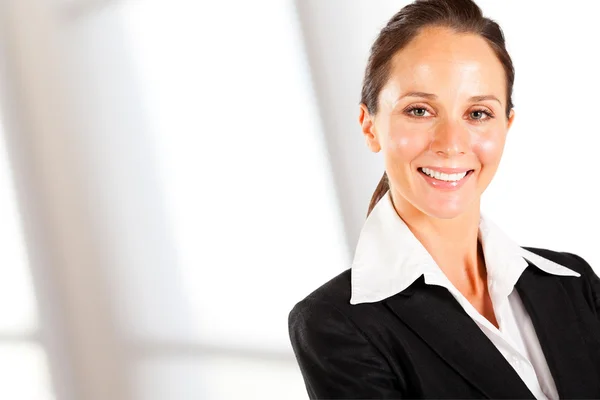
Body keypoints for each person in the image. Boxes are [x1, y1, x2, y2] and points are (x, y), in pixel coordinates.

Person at [287, 0, 600, 398]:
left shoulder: (575, 286)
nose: (451, 144)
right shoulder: (336, 324)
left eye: (478, 114)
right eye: (419, 110)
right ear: (370, 126)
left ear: (507, 125)